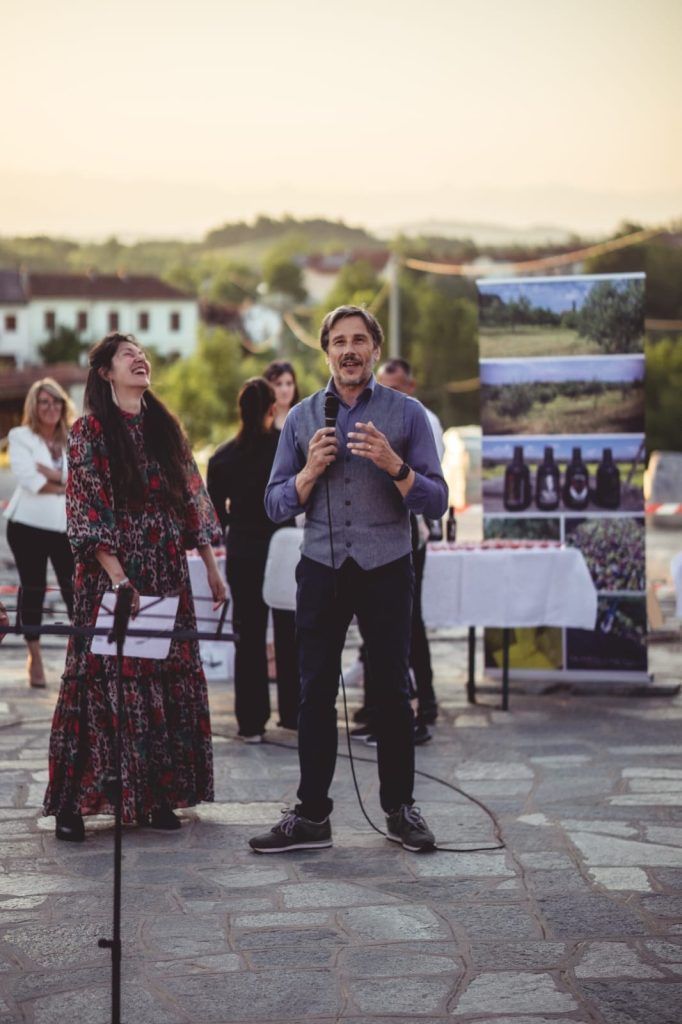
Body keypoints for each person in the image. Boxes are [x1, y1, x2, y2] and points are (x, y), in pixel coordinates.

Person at [249, 305, 448, 854]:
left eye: (359, 340)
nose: (349, 350)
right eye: (339, 342)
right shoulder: (300, 418)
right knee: (313, 691)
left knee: (390, 689)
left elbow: (438, 497)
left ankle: (400, 809)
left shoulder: (407, 415)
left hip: (387, 565)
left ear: (375, 349)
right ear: (327, 351)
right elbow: (271, 504)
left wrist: (395, 466)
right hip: (321, 567)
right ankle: (312, 815)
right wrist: (309, 473)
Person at [43, 333, 226, 843]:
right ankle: (75, 804)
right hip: (111, 574)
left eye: (142, 352)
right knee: (100, 682)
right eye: (128, 354)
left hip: (166, 566)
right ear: (106, 372)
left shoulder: (165, 427)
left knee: (159, 678)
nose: (140, 358)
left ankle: (155, 796)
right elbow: (85, 509)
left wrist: (211, 564)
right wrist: (119, 577)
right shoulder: (89, 432)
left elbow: (190, 496)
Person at [352, 358, 445, 744]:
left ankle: (422, 703)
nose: (386, 391)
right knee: (372, 627)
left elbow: (429, 485)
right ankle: (376, 707)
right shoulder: (362, 415)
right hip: (367, 535)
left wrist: (393, 464)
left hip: (408, 532)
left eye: (395, 385)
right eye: (382, 383)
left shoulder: (423, 419)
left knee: (407, 623)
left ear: (410, 385)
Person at [207, 377, 299, 739]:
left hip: (243, 546)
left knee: (248, 634)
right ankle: (293, 713)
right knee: (290, 631)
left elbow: (215, 514)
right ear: (271, 410)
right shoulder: (286, 449)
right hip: (284, 544)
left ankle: (250, 721)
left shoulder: (222, 456)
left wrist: (236, 523)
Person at [4, 378, 77, 687]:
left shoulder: (73, 437)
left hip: (65, 527)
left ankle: (81, 653)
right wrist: (65, 482)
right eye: (44, 402)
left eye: (56, 401)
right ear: (33, 406)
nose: (51, 408)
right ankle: (34, 653)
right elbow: (31, 481)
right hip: (27, 525)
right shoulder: (20, 436)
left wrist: (55, 475)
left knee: (74, 588)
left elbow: (83, 479)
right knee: (32, 588)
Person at [263, 360, 300, 431]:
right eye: (278, 384)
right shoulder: (260, 422)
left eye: (289, 383)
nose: (284, 390)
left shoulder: (304, 418)